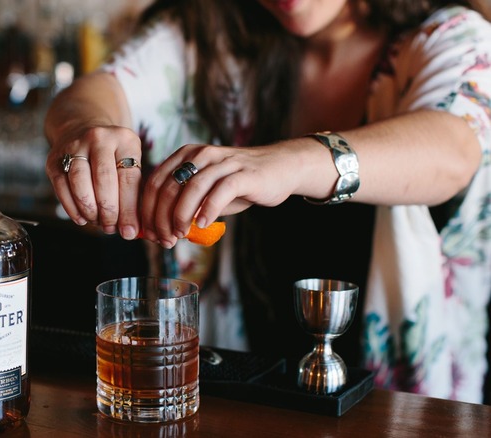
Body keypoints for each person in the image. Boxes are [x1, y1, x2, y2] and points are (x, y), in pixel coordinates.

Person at [43, 0, 491, 404]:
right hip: (237, 401)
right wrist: (83, 129)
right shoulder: (211, 32)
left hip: (405, 412)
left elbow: (452, 151)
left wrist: (288, 164)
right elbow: (96, 92)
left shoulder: (448, 36)